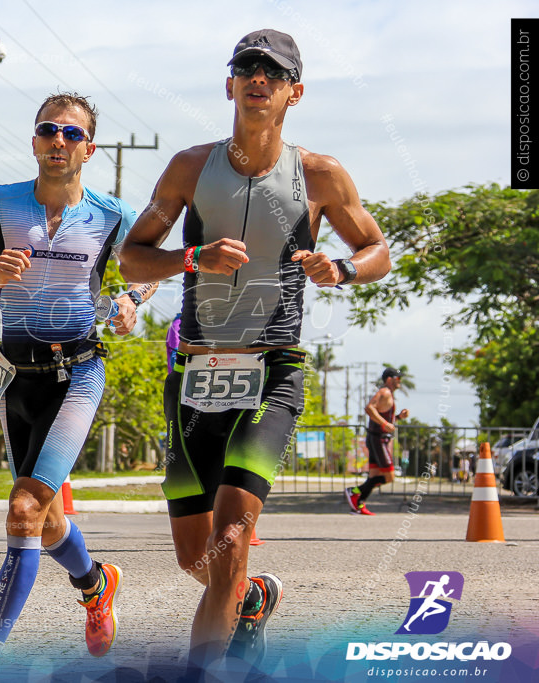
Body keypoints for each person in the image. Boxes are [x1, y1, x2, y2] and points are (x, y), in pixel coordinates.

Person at [119, 29, 391, 672]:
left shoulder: (320, 176)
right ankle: (249, 600)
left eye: (273, 70)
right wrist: (192, 257)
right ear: (230, 84)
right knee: (199, 559)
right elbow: (132, 259)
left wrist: (343, 271)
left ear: (295, 91)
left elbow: (376, 250)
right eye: (246, 67)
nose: (258, 77)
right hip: (195, 370)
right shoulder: (189, 167)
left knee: (232, 534)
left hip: (273, 369)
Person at [0, 92, 158, 681]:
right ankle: (95, 582)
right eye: (47, 130)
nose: (58, 141)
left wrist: (131, 301)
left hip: (79, 372)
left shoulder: (113, 214)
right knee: (47, 518)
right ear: (35, 140)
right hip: (17, 378)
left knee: (24, 507)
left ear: (89, 147)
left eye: (71, 133)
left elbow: (149, 272)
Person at [345, 367, 409, 515]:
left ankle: (358, 504)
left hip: (378, 439)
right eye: (398, 378)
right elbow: (369, 408)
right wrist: (385, 424)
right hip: (378, 440)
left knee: (373, 477)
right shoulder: (384, 392)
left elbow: (384, 417)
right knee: (389, 476)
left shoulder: (389, 394)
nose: (400, 381)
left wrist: (398, 417)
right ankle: (353, 491)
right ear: (389, 379)